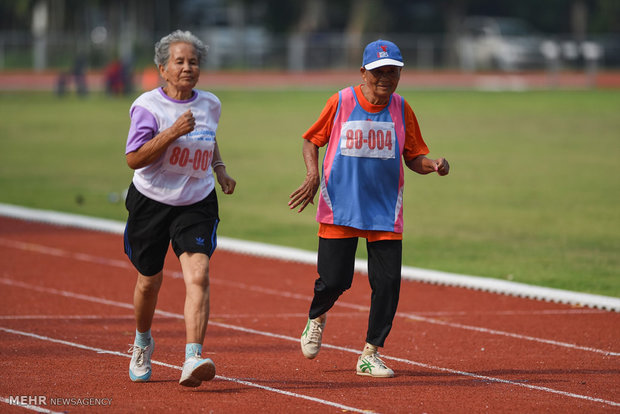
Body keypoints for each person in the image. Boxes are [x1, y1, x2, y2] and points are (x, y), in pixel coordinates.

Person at [289, 39, 449, 378]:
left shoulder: (402, 108)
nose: (385, 78)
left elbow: (413, 157)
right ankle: (316, 317)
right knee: (334, 281)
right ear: (363, 73)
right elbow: (310, 139)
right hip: (340, 207)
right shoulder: (342, 101)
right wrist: (312, 174)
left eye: (392, 71)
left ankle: (370, 354)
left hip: (384, 212)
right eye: (378, 71)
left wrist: (432, 164)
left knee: (388, 285)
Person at [123, 30, 236, 387]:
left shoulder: (210, 104)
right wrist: (172, 132)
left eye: (194, 62)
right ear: (162, 68)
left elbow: (209, 135)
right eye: (180, 61)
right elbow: (134, 158)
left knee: (199, 275)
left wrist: (219, 169)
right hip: (152, 201)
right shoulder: (147, 107)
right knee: (149, 282)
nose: (188, 67)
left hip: (197, 201)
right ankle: (142, 341)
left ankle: (193, 357)